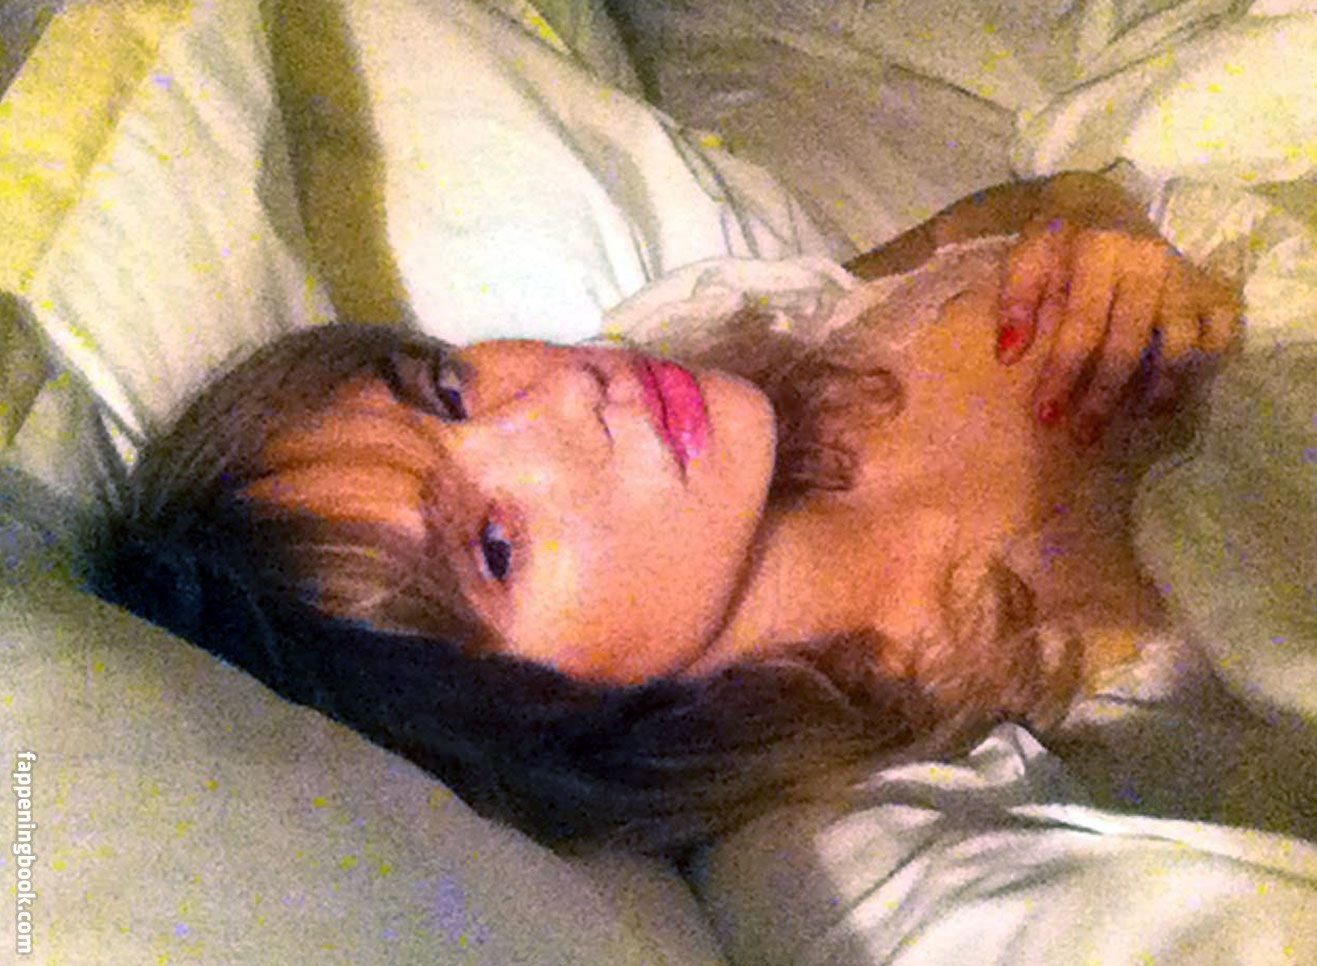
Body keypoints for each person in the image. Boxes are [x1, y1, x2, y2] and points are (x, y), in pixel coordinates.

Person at [86, 170, 1241, 855]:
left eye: (446, 388)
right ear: (539, 727)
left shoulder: (708, 323)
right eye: (495, 546)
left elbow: (1013, 214)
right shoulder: (949, 811)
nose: (561, 397)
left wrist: (1108, 241)